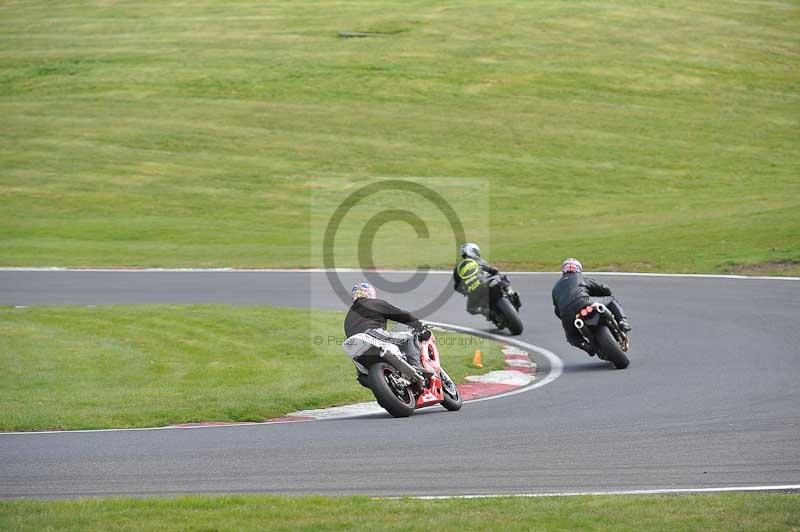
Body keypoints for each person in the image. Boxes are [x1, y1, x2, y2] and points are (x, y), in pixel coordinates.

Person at [344, 282, 432, 378]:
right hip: (371, 335)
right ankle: (416, 366)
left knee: (362, 375)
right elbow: (402, 315)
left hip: (357, 348)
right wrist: (420, 327)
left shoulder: (348, 316)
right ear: (370, 293)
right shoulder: (373, 303)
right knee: (408, 338)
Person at [551, 258, 631, 355]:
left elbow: (557, 310)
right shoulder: (581, 278)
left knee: (572, 337)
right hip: (584, 302)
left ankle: (587, 347)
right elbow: (604, 288)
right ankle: (623, 322)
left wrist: (565, 317)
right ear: (578, 269)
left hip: (567, 315)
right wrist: (604, 293)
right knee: (611, 300)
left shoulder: (555, 288)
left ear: (564, 270)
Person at [452, 242, 509, 313]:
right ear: (471, 251)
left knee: (470, 309)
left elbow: (456, 286)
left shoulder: (457, 268)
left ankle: (487, 312)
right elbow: (492, 270)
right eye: (476, 251)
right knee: (502, 278)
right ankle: (508, 291)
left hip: (473, 292)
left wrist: (466, 292)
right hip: (484, 283)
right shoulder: (478, 260)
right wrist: (495, 272)